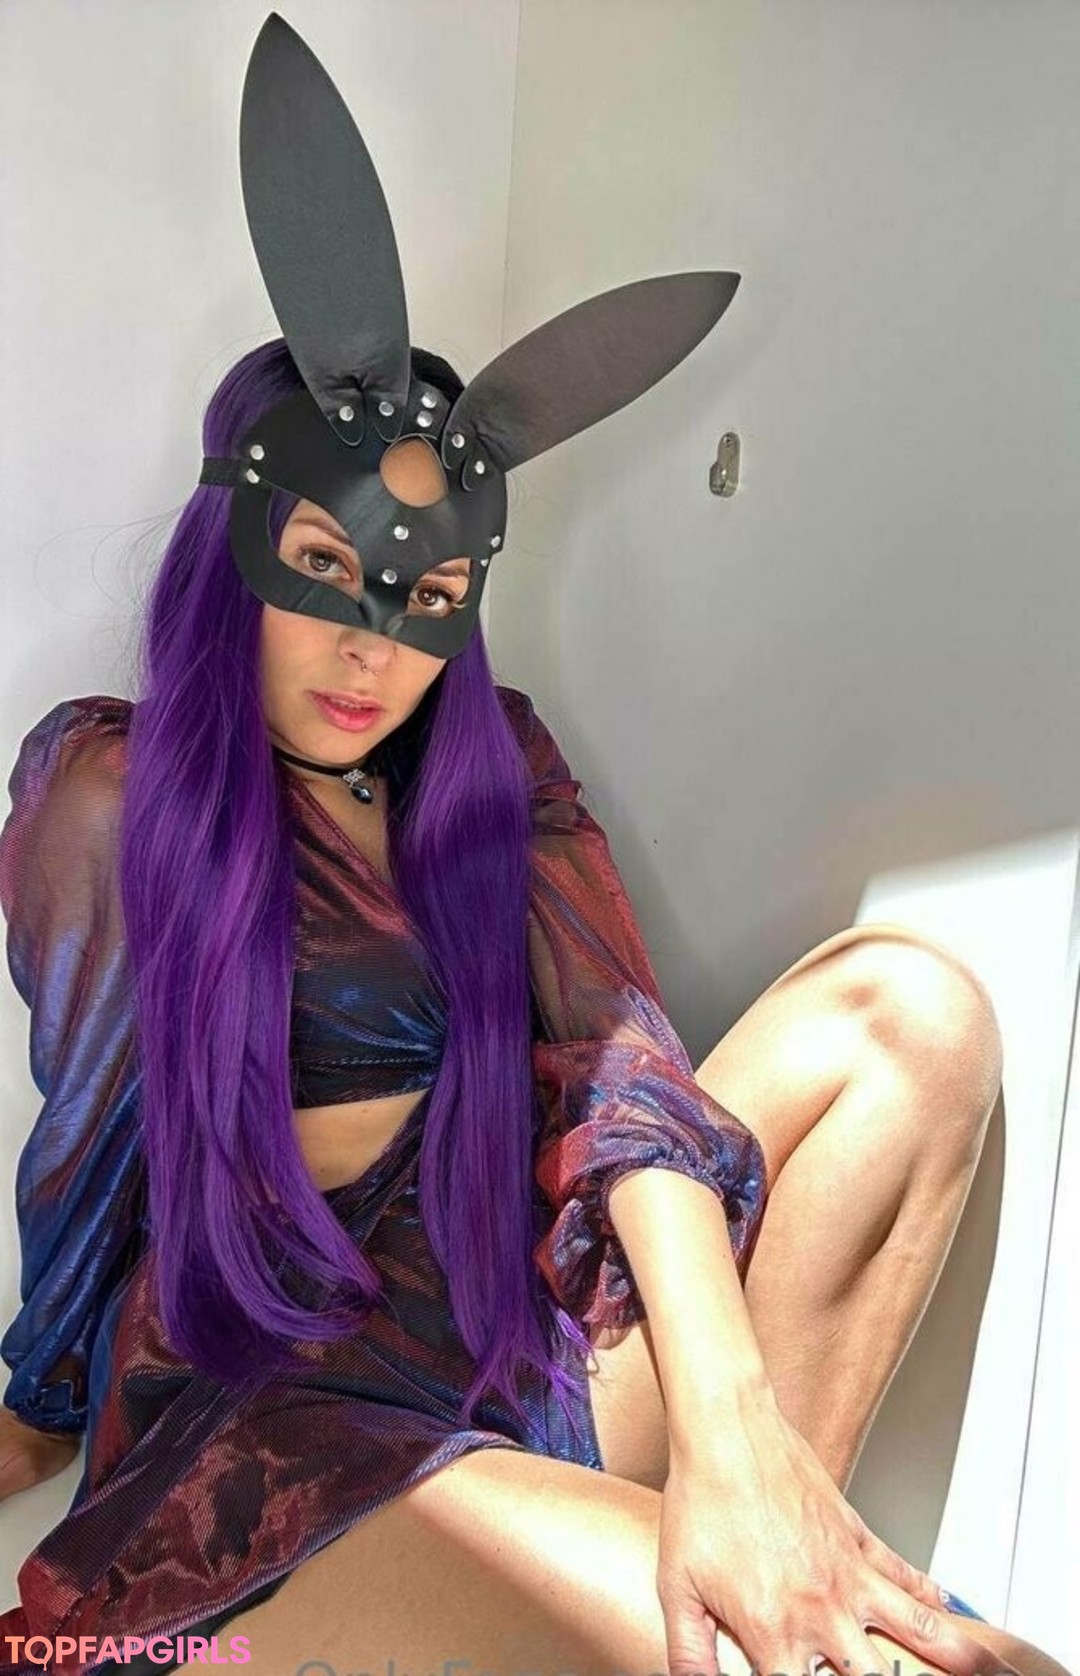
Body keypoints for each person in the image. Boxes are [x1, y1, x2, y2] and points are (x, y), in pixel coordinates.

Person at [0, 15, 1067, 1676]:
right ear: (236, 550)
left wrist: (736, 1442)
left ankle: (754, 1536)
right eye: (323, 569)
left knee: (910, 1017)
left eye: (426, 597)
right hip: (289, 1439)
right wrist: (38, 1410)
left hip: (521, 1352)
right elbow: (83, 1149)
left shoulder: (493, 762)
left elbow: (625, 1075)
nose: (372, 647)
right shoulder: (118, 794)